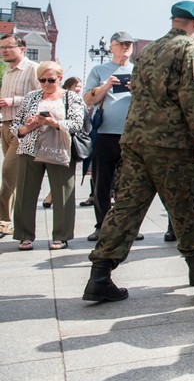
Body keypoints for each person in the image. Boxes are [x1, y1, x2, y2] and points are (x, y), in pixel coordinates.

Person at [82, 1, 194, 302]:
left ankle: (100, 274)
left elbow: (136, 88)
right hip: (170, 142)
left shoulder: (147, 51)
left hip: (135, 139)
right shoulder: (191, 50)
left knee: (126, 207)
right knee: (182, 204)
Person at [11, 61, 84, 250]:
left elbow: (77, 124)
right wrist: (29, 125)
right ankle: (24, 236)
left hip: (60, 149)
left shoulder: (71, 97)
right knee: (25, 193)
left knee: (63, 194)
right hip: (30, 148)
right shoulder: (31, 97)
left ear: (60, 79)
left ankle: (61, 236)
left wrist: (53, 121)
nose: (46, 83)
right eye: (42, 79)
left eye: (50, 80)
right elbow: (15, 125)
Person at [83, 31, 137, 242]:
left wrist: (137, 89)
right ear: (111, 47)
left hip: (131, 135)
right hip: (105, 134)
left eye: (128, 45)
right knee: (102, 183)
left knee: (130, 185)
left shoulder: (138, 70)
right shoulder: (99, 70)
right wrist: (106, 86)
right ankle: (102, 226)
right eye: (121, 44)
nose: (125, 48)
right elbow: (88, 99)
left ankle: (128, 227)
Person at [0, 33, 40, 235]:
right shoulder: (7, 71)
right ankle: (6, 221)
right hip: (5, 126)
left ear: (22, 49)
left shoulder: (32, 68)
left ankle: (3, 220)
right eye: (2, 48)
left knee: (7, 170)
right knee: (11, 176)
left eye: (8, 47)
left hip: (23, 129)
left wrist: (14, 101)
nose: (4, 51)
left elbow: (43, 94)